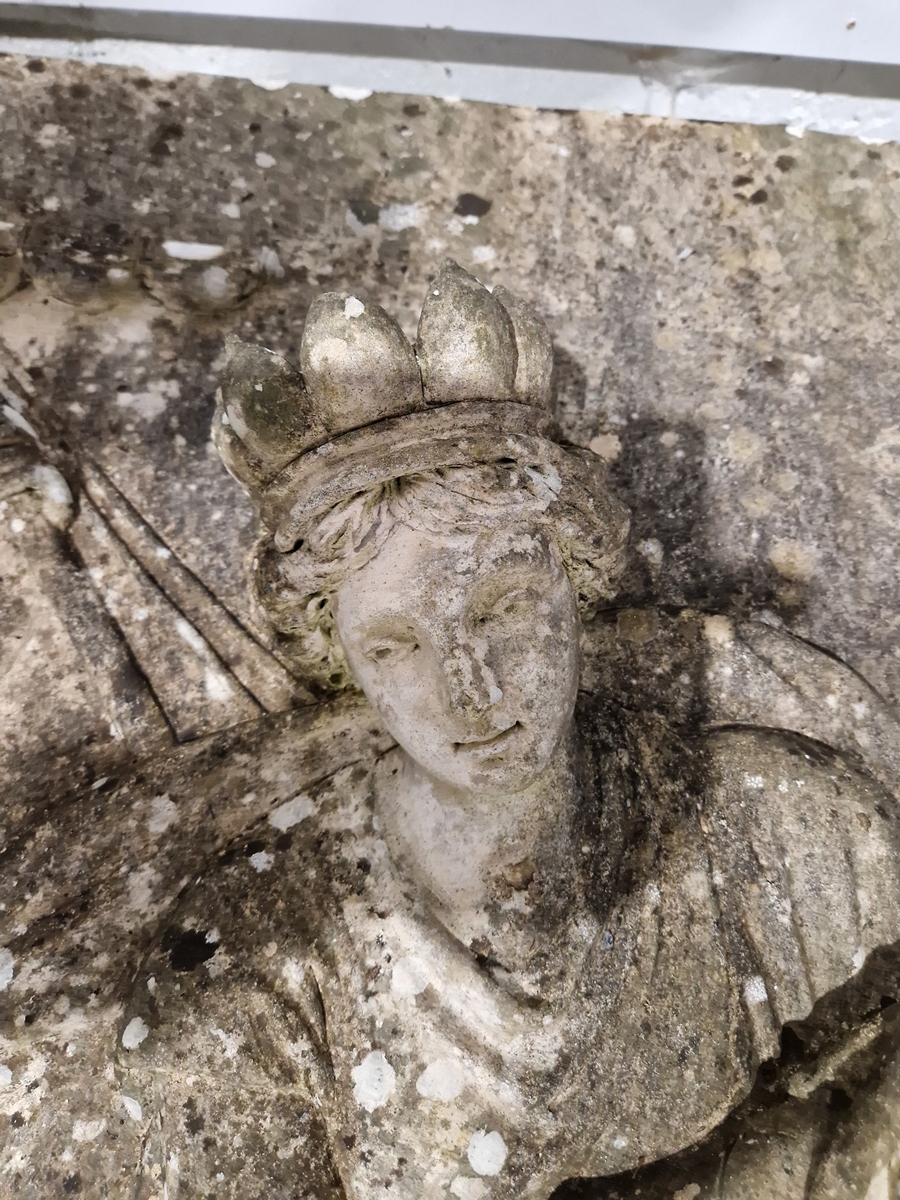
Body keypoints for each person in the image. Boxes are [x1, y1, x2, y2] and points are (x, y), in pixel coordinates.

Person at [118, 262, 900, 1200]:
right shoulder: (268, 953)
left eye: (501, 611)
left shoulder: (792, 840)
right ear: (342, 666)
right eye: (396, 646)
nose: (469, 691)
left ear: (576, 590)